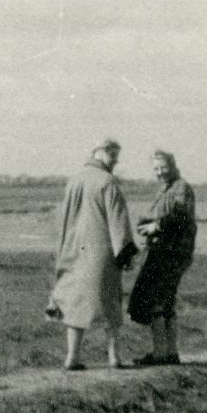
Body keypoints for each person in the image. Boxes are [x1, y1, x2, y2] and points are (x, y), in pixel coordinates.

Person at [46, 138, 138, 369]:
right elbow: (118, 222)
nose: (115, 160)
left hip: (73, 250)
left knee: (74, 302)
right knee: (110, 303)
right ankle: (114, 358)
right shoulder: (108, 181)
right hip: (101, 252)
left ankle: (72, 358)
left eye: (116, 155)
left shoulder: (74, 180)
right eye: (112, 154)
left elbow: (63, 220)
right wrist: (125, 254)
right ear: (99, 152)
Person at [128, 149, 197, 365]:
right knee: (166, 301)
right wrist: (147, 225)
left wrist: (155, 226)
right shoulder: (165, 189)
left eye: (163, 167)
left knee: (156, 300)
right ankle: (170, 352)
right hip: (164, 252)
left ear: (173, 165)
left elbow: (179, 217)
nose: (159, 172)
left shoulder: (181, 188)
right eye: (156, 169)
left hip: (172, 254)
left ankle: (160, 352)